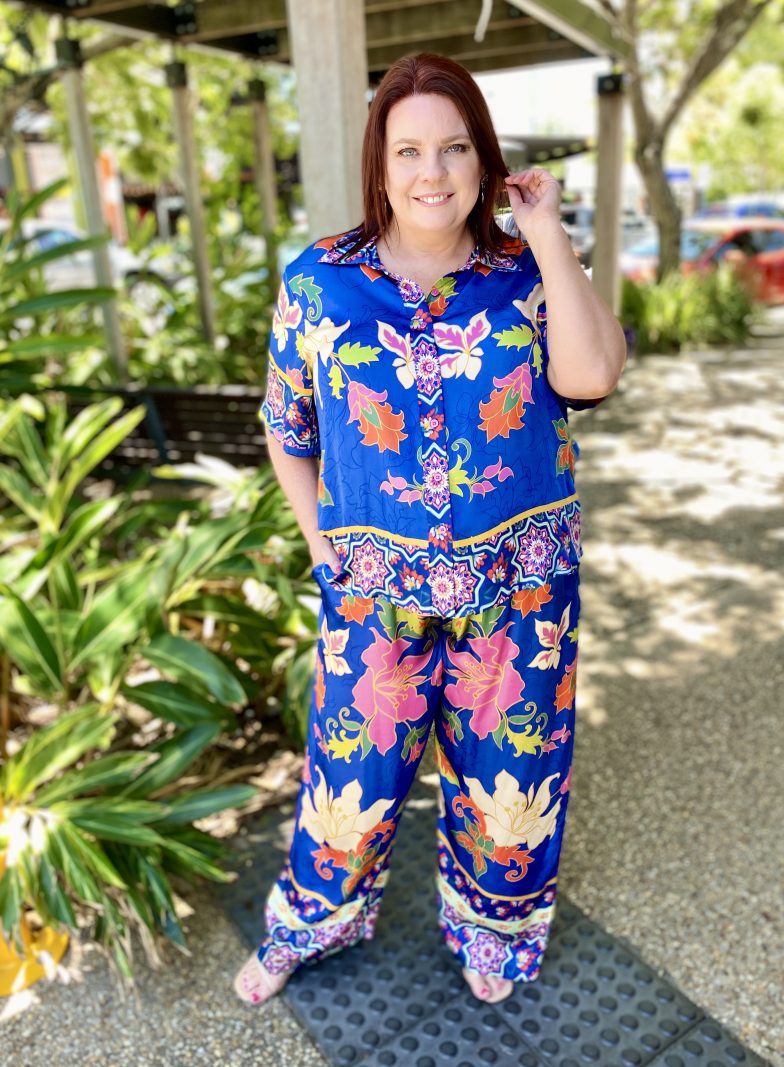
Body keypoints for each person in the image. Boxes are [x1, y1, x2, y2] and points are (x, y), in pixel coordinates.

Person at [235, 52, 626, 1008]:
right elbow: (288, 430)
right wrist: (321, 548)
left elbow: (592, 376)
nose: (432, 173)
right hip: (373, 592)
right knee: (349, 779)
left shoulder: (524, 271)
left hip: (521, 588)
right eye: (408, 150)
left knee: (511, 775)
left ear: (485, 158)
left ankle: (493, 930)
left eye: (455, 148)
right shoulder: (321, 283)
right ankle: (309, 923)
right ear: (379, 162)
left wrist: (546, 232)